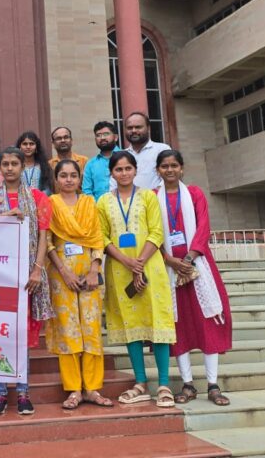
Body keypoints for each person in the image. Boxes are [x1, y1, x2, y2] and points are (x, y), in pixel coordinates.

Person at [0, 147, 54, 415]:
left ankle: (23, 392)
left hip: (27, 277)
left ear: (22, 167)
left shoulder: (39, 197)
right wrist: (6, 216)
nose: (9, 168)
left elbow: (44, 236)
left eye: (14, 163)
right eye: (5, 163)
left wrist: (37, 269)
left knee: (21, 336)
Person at [98, 151, 176, 408]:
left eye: (128, 168)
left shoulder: (148, 198)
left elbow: (157, 232)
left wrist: (140, 262)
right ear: (112, 173)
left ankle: (164, 383)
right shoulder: (103, 202)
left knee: (157, 324)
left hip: (151, 268)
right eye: (118, 169)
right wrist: (127, 262)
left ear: (135, 170)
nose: (123, 173)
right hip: (120, 271)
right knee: (132, 325)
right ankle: (140, 383)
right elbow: (103, 238)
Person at [155, 150, 232, 407]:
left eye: (174, 165)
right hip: (167, 271)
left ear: (182, 168)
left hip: (198, 266)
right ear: (158, 171)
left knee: (207, 322)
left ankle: (213, 384)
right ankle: (187, 384)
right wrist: (169, 259)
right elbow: (152, 233)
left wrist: (187, 260)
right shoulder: (153, 197)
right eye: (164, 166)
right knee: (179, 327)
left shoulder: (195, 194)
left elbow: (203, 227)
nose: (169, 170)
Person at [45, 159, 111, 409]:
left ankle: (93, 388)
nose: (69, 180)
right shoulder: (50, 203)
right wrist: (64, 272)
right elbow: (48, 242)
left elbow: (97, 236)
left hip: (89, 272)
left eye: (73, 175)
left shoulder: (88, 203)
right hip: (61, 275)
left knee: (91, 329)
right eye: (63, 175)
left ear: (80, 179)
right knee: (68, 330)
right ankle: (73, 389)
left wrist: (95, 269)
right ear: (56, 179)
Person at [124, 112, 170, 190]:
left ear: (148, 128)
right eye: (130, 128)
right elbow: (114, 183)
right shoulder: (122, 155)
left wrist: (153, 196)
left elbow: (169, 176)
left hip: (157, 199)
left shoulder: (162, 150)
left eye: (138, 127)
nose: (133, 130)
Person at [83, 121, 119, 200]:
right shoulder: (91, 164)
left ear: (116, 137)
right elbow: (87, 190)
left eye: (106, 134)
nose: (102, 138)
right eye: (98, 135)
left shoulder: (127, 158)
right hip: (98, 210)